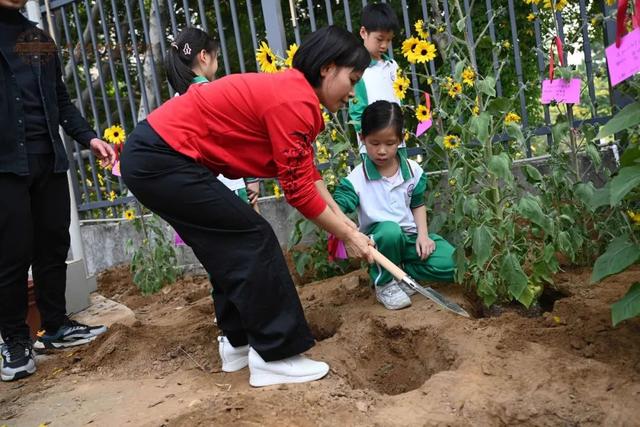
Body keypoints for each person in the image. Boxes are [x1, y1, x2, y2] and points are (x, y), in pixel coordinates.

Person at [121, 26, 373, 387]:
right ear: (327, 68)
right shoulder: (294, 100)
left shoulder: (293, 94)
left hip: (156, 158)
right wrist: (348, 235)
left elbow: (310, 175)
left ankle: (237, 343)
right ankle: (276, 354)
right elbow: (298, 192)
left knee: (228, 244)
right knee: (253, 238)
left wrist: (349, 229)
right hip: (160, 158)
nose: (354, 91)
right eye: (352, 78)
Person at [0, 0, 116, 382]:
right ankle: (15, 341)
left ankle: (54, 327)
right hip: (5, 166)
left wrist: (89, 138)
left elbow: (60, 100)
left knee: (52, 245)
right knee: (12, 255)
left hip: (48, 158)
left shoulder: (36, 38)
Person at [334, 101, 455, 310]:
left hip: (409, 239)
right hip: (381, 243)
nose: (382, 151)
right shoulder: (356, 180)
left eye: (390, 143)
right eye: (374, 143)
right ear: (362, 138)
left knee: (451, 263)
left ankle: (401, 272)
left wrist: (423, 236)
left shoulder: (413, 170)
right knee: (390, 230)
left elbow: (417, 204)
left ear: (401, 139)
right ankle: (384, 283)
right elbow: (337, 207)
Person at [164, 27, 260, 207]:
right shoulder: (216, 94)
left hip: (196, 196)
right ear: (204, 56)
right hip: (231, 189)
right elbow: (238, 138)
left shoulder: (175, 103)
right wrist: (252, 178)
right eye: (216, 55)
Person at [348, 2, 405, 157]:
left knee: (404, 179)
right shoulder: (358, 70)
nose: (384, 45)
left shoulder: (392, 66)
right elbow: (357, 112)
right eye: (379, 39)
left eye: (389, 40)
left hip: (397, 144)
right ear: (363, 32)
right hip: (373, 149)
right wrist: (371, 141)